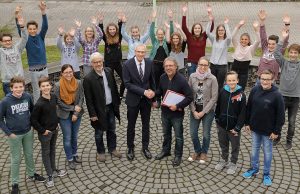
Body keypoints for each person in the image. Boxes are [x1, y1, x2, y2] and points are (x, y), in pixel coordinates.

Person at [0, 77, 45, 194]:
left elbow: (33, 111)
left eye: (21, 87)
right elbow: (0, 120)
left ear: (24, 87)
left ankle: (32, 174)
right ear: (11, 88)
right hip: (14, 135)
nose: (19, 89)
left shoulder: (27, 96)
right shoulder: (5, 102)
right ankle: (14, 183)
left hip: (28, 132)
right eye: (16, 87)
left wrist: (33, 126)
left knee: (29, 154)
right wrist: (9, 133)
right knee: (15, 159)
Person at [242, 69, 285, 186]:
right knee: (254, 150)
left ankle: (266, 174)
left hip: (269, 132)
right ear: (259, 79)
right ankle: (254, 169)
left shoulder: (277, 95)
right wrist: (247, 123)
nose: (265, 81)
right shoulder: (255, 89)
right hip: (255, 128)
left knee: (267, 152)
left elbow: (281, 116)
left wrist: (276, 131)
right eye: (263, 79)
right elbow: (249, 107)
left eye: (267, 79)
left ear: (272, 80)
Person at [83, 52, 122, 162]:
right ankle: (100, 152)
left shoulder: (109, 71)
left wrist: (117, 103)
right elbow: (88, 99)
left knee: (112, 129)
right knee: (99, 132)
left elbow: (114, 87)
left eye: (100, 61)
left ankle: (112, 148)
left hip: (110, 107)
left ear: (102, 61)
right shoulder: (88, 79)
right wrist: (92, 114)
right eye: (95, 62)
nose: (98, 64)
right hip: (98, 110)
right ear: (92, 64)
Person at [154, 57, 193, 167]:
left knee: (178, 136)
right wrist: (155, 98)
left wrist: (177, 106)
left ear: (176, 67)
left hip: (177, 114)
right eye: (166, 66)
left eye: (171, 65)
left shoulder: (182, 80)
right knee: (166, 134)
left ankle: (178, 155)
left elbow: (190, 97)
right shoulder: (162, 77)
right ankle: (166, 151)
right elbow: (159, 91)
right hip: (165, 112)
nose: (168, 68)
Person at [30, 77, 67, 188]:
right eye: (43, 86)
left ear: (50, 86)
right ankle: (49, 175)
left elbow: (54, 112)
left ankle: (54, 169)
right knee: (46, 153)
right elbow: (33, 120)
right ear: (40, 88)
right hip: (45, 133)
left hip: (55, 130)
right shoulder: (39, 104)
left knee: (53, 151)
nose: (46, 88)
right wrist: (43, 131)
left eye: (47, 85)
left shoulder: (54, 97)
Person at [122, 44, 156, 161]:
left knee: (146, 125)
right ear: (135, 52)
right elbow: (127, 84)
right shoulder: (127, 64)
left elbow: (152, 81)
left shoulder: (149, 63)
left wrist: (154, 97)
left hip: (146, 101)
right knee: (131, 125)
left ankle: (145, 147)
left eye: (143, 52)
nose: (141, 54)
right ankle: (130, 147)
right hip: (133, 100)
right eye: (139, 52)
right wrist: (144, 92)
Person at [15, 2, 48, 103]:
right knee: (37, 91)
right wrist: (17, 17)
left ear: (37, 29)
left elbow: (45, 26)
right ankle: (38, 108)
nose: (32, 31)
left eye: (34, 29)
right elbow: (20, 29)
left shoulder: (41, 37)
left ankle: (47, 106)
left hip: (44, 69)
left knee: (46, 89)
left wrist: (43, 12)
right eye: (30, 29)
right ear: (27, 30)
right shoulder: (26, 39)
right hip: (33, 71)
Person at [214, 71, 246, 174]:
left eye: (233, 80)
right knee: (223, 144)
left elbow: (242, 113)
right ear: (226, 81)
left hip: (234, 127)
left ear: (237, 80)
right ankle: (224, 160)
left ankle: (233, 162)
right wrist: (217, 119)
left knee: (235, 146)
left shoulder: (241, 95)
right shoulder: (223, 91)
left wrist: (238, 127)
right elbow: (218, 106)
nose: (231, 82)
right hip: (222, 125)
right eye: (229, 80)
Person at [188, 57, 218, 163]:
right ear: (197, 65)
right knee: (192, 133)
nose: (203, 67)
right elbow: (189, 95)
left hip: (207, 111)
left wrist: (203, 112)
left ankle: (204, 152)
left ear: (208, 66)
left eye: (205, 65)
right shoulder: (192, 76)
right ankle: (197, 150)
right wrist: (193, 110)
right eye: (201, 64)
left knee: (206, 134)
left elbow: (214, 97)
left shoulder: (212, 79)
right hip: (195, 109)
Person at [274, 29, 300, 149]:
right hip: (282, 96)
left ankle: (289, 140)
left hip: (295, 99)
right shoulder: (284, 63)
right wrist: (282, 39)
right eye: (292, 52)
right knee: (279, 119)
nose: (293, 55)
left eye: (296, 53)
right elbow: (277, 53)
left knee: (292, 122)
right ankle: (277, 137)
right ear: (288, 53)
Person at [55, 64, 84, 170]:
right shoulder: (58, 85)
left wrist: (76, 113)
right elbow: (58, 102)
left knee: (74, 136)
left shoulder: (79, 82)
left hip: (77, 113)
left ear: (73, 72)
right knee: (67, 137)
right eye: (66, 72)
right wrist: (72, 109)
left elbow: (81, 97)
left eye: (70, 72)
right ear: (62, 73)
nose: (68, 74)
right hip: (64, 114)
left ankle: (75, 154)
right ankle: (70, 158)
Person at [256, 10, 290, 83]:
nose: (270, 46)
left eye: (273, 44)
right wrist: (262, 21)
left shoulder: (279, 51)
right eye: (269, 43)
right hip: (260, 79)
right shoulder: (265, 48)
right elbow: (263, 36)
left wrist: (287, 25)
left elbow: (285, 39)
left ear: (277, 44)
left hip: (271, 80)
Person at [182, 3, 214, 76]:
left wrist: (210, 14)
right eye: (195, 28)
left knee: (201, 81)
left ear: (201, 29)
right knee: (192, 80)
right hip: (191, 63)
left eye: (199, 28)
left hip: (201, 63)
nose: (197, 29)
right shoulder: (189, 36)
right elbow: (184, 27)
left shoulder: (204, 36)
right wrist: (184, 13)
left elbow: (211, 28)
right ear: (193, 29)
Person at [98, 11, 125, 98]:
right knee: (111, 81)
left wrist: (120, 21)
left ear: (116, 30)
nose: (112, 31)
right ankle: (114, 95)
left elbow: (121, 29)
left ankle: (120, 95)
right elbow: (100, 31)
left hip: (118, 63)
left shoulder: (119, 37)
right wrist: (101, 22)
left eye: (113, 29)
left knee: (125, 79)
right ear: (108, 30)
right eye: (110, 29)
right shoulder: (106, 38)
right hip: (109, 63)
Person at [0, 15, 27, 95]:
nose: (7, 42)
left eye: (9, 40)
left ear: (11, 41)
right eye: (5, 41)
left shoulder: (17, 48)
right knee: (11, 104)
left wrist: (22, 27)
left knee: (22, 101)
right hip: (8, 82)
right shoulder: (1, 52)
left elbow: (24, 39)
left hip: (20, 80)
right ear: (1, 42)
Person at [231, 19, 260, 90]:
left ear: (249, 41)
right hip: (234, 71)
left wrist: (256, 29)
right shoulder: (237, 45)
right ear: (240, 40)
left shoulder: (251, 49)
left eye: (246, 39)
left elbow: (258, 41)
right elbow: (232, 37)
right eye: (242, 39)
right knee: (231, 88)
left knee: (240, 90)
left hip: (243, 73)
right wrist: (238, 26)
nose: (243, 41)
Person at [206, 15, 232, 91]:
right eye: (219, 30)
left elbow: (230, 37)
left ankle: (218, 101)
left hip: (222, 67)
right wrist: (210, 21)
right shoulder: (214, 39)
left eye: (222, 30)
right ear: (217, 31)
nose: (221, 32)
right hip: (213, 65)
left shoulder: (226, 41)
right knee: (211, 83)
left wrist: (226, 24)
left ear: (225, 31)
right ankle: (212, 100)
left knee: (219, 85)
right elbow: (207, 32)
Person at [149, 9, 173, 89]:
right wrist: (153, 19)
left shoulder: (166, 42)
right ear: (156, 35)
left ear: (164, 34)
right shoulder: (154, 41)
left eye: (162, 34)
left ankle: (164, 95)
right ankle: (157, 98)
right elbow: (151, 32)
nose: (160, 36)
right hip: (155, 64)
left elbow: (171, 32)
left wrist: (171, 20)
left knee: (164, 81)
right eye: (158, 34)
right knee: (155, 81)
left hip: (164, 65)